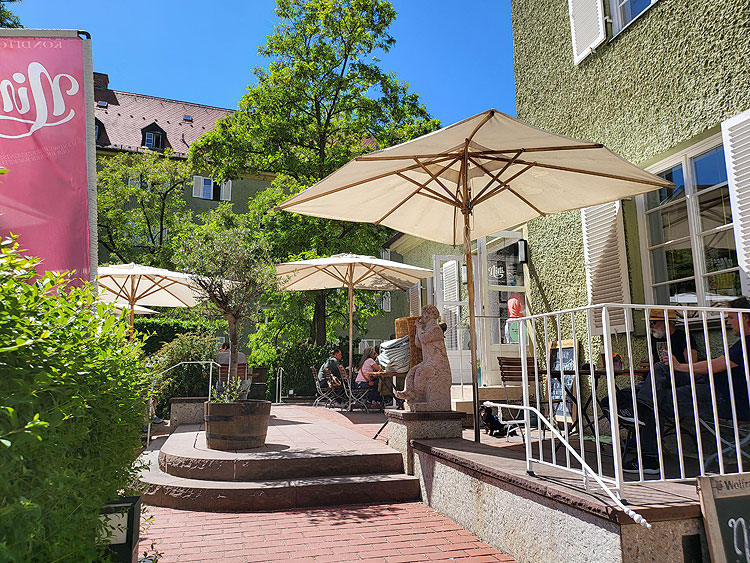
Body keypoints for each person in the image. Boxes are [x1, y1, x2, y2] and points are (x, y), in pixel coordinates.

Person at [623, 300, 750, 474]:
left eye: (731, 318)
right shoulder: (743, 343)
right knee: (658, 373)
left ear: (745, 318)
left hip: (725, 398)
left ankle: (649, 457)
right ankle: (639, 406)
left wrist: (679, 366)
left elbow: (715, 365)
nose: (728, 322)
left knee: (655, 400)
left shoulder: (747, 344)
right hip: (710, 386)